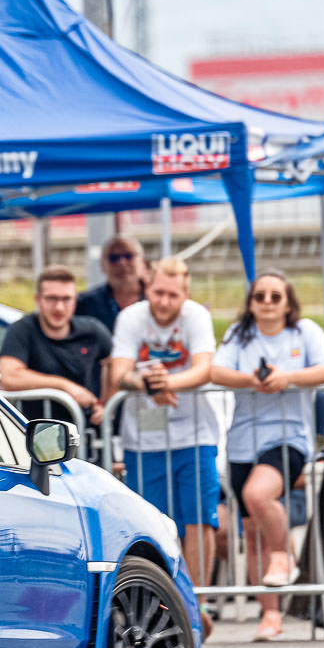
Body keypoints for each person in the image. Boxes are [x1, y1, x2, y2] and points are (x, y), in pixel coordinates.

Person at [211, 271, 324, 641]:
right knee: (252, 533)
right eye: (260, 296)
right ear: (251, 303)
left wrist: (288, 378)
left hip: (288, 435)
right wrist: (252, 381)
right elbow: (217, 371)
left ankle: (283, 554)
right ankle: (270, 613)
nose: (267, 302)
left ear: (287, 303)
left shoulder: (304, 331)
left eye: (275, 296)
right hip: (242, 439)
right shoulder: (239, 334)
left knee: (258, 494)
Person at [108, 257, 219, 627]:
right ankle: (163, 602)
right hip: (144, 438)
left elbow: (204, 368)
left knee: (199, 518)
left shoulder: (196, 316)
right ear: (147, 287)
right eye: (158, 292)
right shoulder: (132, 317)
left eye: (173, 295)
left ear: (185, 294)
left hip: (195, 433)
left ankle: (196, 603)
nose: (164, 302)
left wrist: (165, 383)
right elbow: (120, 373)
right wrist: (148, 385)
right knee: (151, 523)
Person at [0, 265, 111, 424]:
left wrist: (105, 405)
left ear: (75, 300)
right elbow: (10, 377)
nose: (59, 307)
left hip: (86, 431)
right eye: (52, 299)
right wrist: (65, 386)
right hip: (38, 432)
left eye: (66, 299)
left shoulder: (93, 330)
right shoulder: (22, 330)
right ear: (38, 299)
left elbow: (114, 365)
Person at [76, 234, 148, 332]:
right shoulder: (83, 304)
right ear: (102, 265)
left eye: (128, 256)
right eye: (114, 258)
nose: (122, 263)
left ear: (142, 262)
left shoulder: (159, 299)